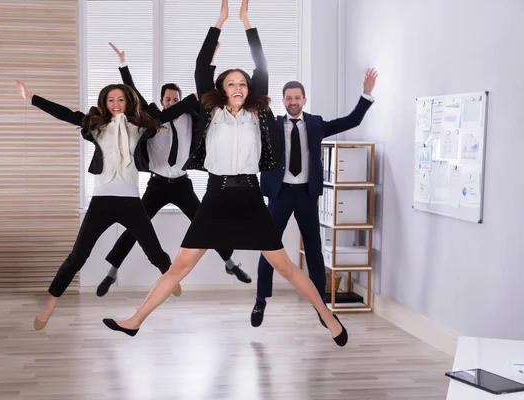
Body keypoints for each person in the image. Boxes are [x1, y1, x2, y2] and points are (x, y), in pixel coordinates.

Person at [102, 0, 348, 347]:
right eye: (231, 82)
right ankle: (136, 320)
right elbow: (202, 65)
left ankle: (327, 316)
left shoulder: (257, 114)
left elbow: (262, 65)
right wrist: (220, 20)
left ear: (249, 90)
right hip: (215, 196)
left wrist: (247, 22)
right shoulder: (209, 110)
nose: (238, 86)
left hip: (249, 195)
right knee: (179, 268)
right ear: (221, 87)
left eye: (243, 83)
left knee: (286, 268)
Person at [15, 80, 182, 330]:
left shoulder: (139, 126)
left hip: (131, 202)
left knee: (154, 251)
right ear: (105, 103)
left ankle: (171, 280)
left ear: (128, 101)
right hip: (102, 201)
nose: (116, 104)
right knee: (77, 256)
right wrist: (32, 98)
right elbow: (66, 114)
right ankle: (50, 302)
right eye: (111, 100)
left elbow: (169, 113)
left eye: (120, 99)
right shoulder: (97, 127)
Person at [94, 42, 251, 297]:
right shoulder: (152, 118)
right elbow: (133, 93)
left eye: (175, 99)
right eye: (168, 99)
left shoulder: (192, 117)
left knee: (205, 222)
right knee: (136, 226)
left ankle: (230, 263)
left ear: (180, 100)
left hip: (181, 184)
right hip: (157, 185)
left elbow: (208, 91)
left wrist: (210, 60)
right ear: (161, 101)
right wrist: (123, 65)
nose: (171, 102)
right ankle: (112, 271)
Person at [251, 73, 378, 327]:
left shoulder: (316, 124)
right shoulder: (272, 125)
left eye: (297, 97)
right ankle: (260, 299)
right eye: (288, 98)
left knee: (314, 250)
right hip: (280, 193)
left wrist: (366, 93)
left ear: (304, 100)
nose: (293, 101)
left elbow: (351, 120)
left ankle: (321, 305)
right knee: (268, 247)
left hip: (307, 195)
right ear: (283, 101)